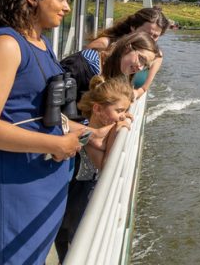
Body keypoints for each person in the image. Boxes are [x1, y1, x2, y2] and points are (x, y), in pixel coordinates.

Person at [0, 0, 85, 265]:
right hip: (16, 183)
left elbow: (37, 113)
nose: (67, 7)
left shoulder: (42, 43)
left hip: (46, 179)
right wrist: (55, 146)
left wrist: (93, 131)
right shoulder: (8, 45)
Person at [54, 77, 133, 262]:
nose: (123, 116)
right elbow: (105, 166)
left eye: (126, 111)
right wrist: (113, 133)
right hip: (72, 199)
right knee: (67, 242)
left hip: (80, 199)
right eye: (119, 111)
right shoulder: (86, 133)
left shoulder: (89, 129)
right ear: (97, 109)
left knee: (72, 243)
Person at [59, 31, 160, 107]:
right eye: (141, 59)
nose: (140, 67)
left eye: (145, 65)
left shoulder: (116, 73)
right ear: (127, 48)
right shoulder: (79, 66)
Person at [86, 8, 169, 99]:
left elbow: (144, 88)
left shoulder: (157, 56)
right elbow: (83, 73)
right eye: (145, 33)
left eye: (155, 36)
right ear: (133, 27)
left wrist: (134, 94)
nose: (150, 39)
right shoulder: (103, 44)